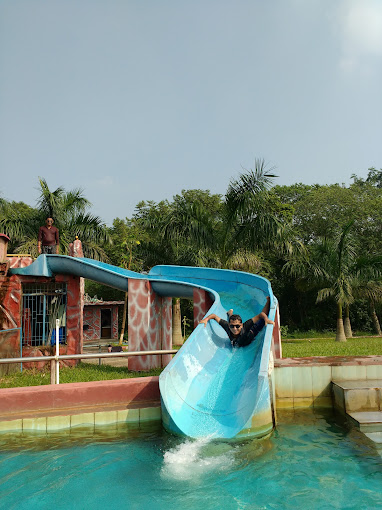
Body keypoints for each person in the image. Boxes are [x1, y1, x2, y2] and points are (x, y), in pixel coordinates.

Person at [199, 296, 274, 347]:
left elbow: (260, 315)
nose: (235, 328)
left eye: (237, 326)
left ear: (241, 325)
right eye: (232, 326)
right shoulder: (227, 326)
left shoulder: (246, 325)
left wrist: (266, 320)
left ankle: (268, 301)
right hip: (237, 339)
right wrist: (206, 320)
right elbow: (214, 316)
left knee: (261, 321)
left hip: (252, 332)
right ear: (229, 326)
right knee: (232, 320)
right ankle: (230, 313)